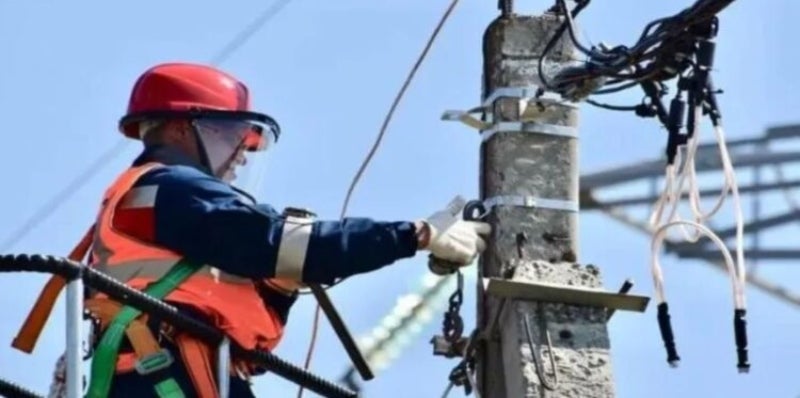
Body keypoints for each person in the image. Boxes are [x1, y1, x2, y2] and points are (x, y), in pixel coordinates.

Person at [75, 62, 490, 397]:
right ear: (181, 128)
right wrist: (414, 234)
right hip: (165, 377)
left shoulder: (168, 206)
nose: (240, 153)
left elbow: (253, 309)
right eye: (231, 134)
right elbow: (274, 242)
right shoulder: (169, 188)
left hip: (186, 372)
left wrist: (280, 287)